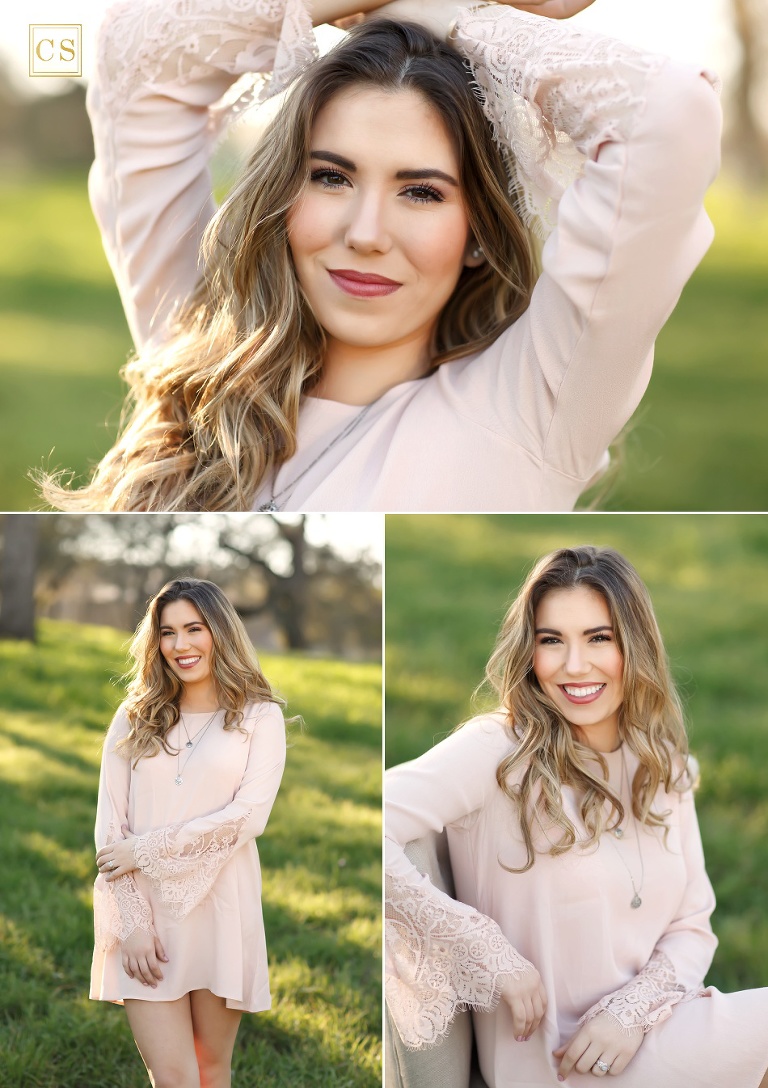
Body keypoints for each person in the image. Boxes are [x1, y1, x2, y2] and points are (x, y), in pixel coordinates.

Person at [38, 0, 721, 512]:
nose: (366, 232)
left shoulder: (531, 412)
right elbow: (137, 53)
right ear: (285, 193)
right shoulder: (201, 343)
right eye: (332, 177)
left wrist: (449, 17)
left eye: (421, 192)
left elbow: (666, 114)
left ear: (479, 230)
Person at [385, 546, 768, 1086]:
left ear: (634, 645)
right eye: (551, 641)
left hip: (647, 1031)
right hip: (554, 1064)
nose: (574, 666)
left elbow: (692, 926)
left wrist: (629, 1015)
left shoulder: (664, 767)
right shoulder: (498, 751)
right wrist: (489, 952)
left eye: (598, 638)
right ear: (530, 651)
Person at [90, 577, 287, 1088]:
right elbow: (111, 828)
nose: (181, 645)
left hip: (223, 908)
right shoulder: (134, 716)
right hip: (144, 916)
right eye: (168, 632)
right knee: (174, 1077)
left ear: (220, 632)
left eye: (194, 629)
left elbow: (249, 816)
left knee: (211, 1069)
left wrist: (148, 848)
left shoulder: (260, 716)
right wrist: (131, 921)